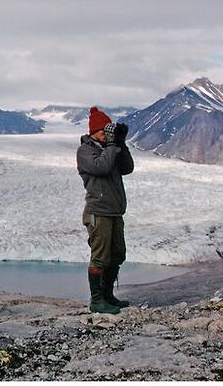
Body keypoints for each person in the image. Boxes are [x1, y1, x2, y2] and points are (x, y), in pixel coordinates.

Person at [76, 107, 134, 314]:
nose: (106, 134)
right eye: (103, 131)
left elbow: (127, 168)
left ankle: (108, 296)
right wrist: (111, 144)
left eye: (108, 131)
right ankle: (97, 300)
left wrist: (121, 144)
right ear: (93, 131)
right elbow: (102, 167)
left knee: (117, 255)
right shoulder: (85, 151)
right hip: (98, 212)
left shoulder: (110, 147)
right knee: (100, 257)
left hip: (115, 211)